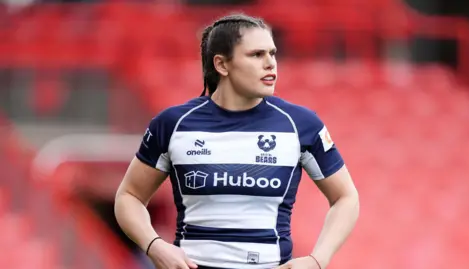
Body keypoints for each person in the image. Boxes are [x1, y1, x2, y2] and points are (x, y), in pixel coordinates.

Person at [114, 13, 359, 269]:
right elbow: (129, 196)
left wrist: (317, 260)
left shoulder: (301, 125)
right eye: (256, 55)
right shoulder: (173, 124)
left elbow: (346, 197)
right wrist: (154, 246)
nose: (271, 64)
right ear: (222, 65)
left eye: (273, 53)